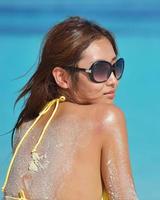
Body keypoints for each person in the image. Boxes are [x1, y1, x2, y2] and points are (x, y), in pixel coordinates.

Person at [1, 16, 139, 200]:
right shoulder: (106, 119)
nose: (113, 80)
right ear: (62, 78)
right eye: (100, 70)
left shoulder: (27, 126)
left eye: (116, 67)